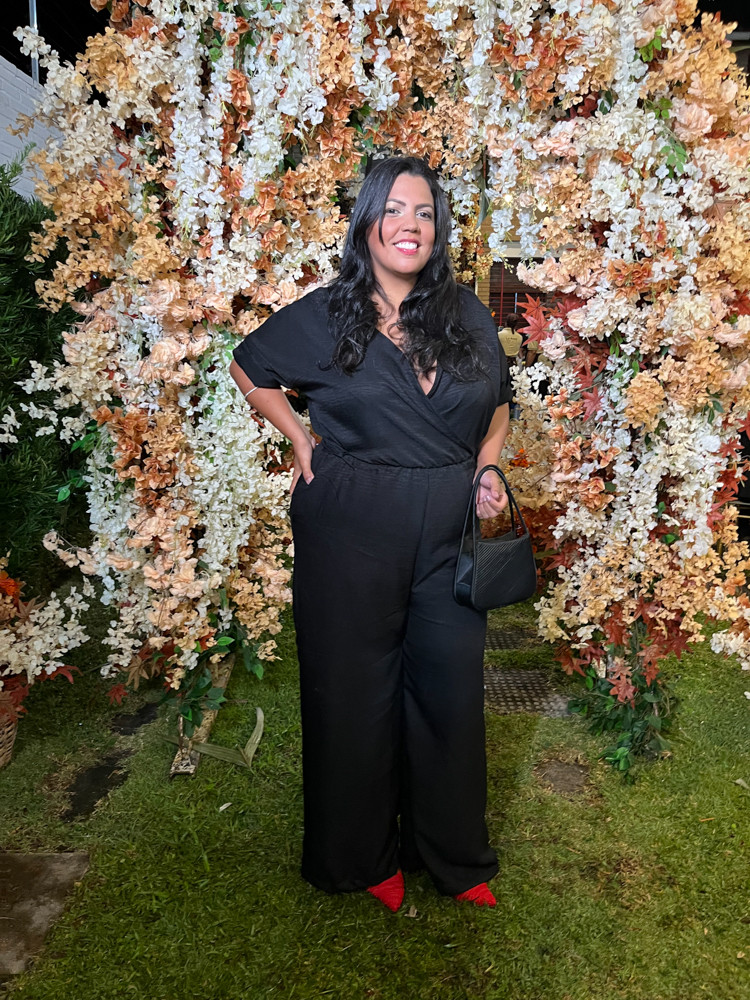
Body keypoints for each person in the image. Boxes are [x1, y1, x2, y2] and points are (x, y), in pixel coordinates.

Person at [229, 156, 512, 912]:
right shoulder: (329, 313)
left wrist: (486, 464)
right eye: (393, 209)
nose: (409, 225)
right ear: (367, 225)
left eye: (424, 212)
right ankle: (361, 856)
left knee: (448, 691)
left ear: (438, 228)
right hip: (350, 523)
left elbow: (499, 404)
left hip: (448, 526)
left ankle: (451, 854)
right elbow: (248, 365)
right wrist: (298, 434)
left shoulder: (466, 313)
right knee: (353, 692)